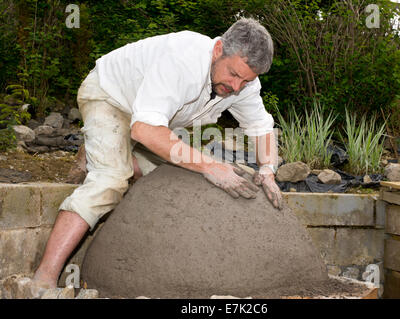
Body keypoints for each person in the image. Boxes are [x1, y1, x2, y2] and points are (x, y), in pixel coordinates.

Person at [32, 17, 281, 289]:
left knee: (177, 176)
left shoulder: (242, 84)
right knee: (110, 179)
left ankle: (107, 150)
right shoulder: (182, 59)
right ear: (219, 49)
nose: (236, 87)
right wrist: (210, 166)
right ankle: (42, 281)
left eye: (245, 81)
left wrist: (268, 168)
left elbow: (260, 126)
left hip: (154, 119)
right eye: (233, 75)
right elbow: (145, 130)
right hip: (111, 97)